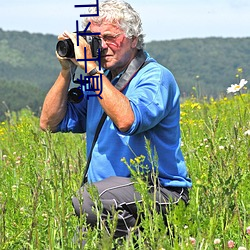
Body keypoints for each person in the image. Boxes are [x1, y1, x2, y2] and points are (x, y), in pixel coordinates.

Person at [40, 0, 192, 244]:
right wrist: (66, 71)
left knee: (88, 200)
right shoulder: (101, 81)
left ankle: (146, 241)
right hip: (110, 199)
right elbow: (49, 123)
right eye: (95, 39)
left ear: (133, 39)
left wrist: (91, 70)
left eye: (110, 37)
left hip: (159, 192)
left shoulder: (154, 77)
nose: (102, 46)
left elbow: (127, 120)